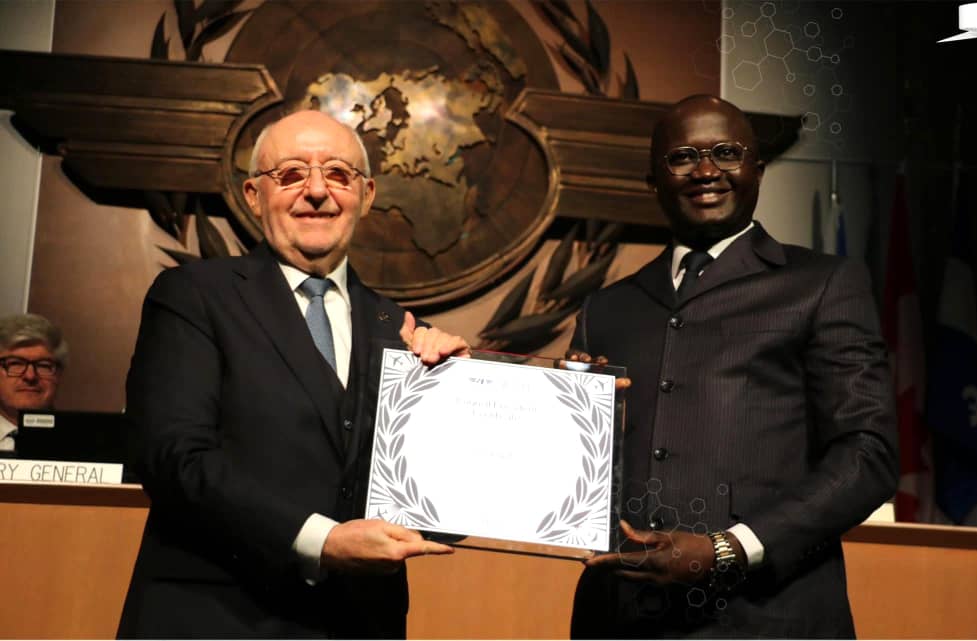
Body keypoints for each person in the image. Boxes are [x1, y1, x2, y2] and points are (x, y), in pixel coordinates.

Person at [118, 110, 471, 639]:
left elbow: (439, 512)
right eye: (290, 174)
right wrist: (321, 540)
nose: (317, 191)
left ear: (367, 195)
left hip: (358, 626)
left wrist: (458, 401)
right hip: (217, 620)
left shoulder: (399, 329)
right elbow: (171, 457)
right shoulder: (194, 296)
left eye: (339, 174)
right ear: (254, 195)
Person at [568, 95, 897, 638]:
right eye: (682, 157)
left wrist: (730, 549)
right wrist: (566, 417)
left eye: (726, 153)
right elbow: (575, 472)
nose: (705, 171)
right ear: (653, 181)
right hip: (621, 617)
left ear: (757, 170)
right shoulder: (606, 309)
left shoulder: (823, 284)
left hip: (766, 617)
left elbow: (869, 453)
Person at [0, 313, 68, 454]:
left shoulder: (88, 443)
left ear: (59, 374)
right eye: (15, 364)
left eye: (43, 365)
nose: (30, 376)